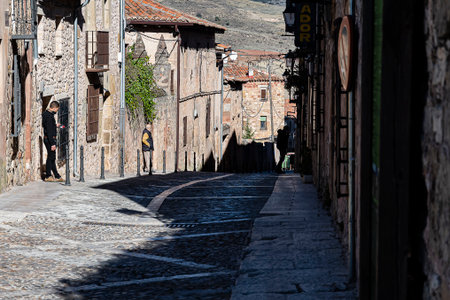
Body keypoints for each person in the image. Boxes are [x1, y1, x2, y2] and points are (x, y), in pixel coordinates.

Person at [42, 101, 64, 182]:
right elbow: (49, 130)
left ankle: (56, 175)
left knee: (52, 157)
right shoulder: (49, 117)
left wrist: (55, 125)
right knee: (51, 157)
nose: (57, 111)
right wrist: (53, 143)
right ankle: (48, 175)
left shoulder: (46, 114)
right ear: (54, 108)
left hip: (48, 138)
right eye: (57, 109)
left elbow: (48, 126)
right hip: (50, 139)